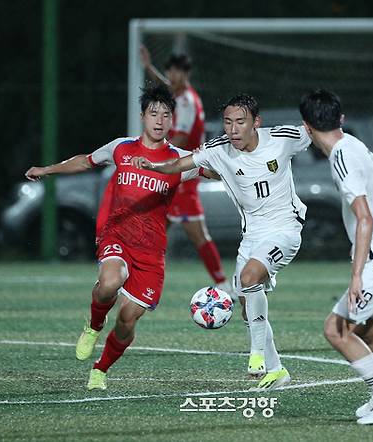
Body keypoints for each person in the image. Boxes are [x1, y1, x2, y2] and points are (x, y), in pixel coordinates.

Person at [25, 85, 203, 391]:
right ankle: (93, 325)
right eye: (153, 113)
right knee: (109, 283)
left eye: (166, 114)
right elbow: (86, 161)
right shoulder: (122, 147)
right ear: (142, 117)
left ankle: (101, 369)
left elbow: (217, 169)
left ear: (172, 120)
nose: (159, 120)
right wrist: (47, 169)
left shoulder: (179, 160)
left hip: (151, 252)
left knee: (127, 319)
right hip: (117, 235)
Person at [132, 94, 310, 390]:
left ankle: (256, 356)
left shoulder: (281, 138)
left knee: (250, 278)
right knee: (246, 305)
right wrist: (152, 167)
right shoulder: (219, 149)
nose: (233, 129)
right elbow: (180, 163)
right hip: (251, 235)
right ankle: (278, 371)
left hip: (285, 230)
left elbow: (316, 132)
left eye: (240, 122)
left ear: (256, 122)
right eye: (228, 122)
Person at [299, 89, 373, 425]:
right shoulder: (354, 144)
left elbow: (365, 217)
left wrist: (357, 276)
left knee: (336, 329)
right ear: (341, 120)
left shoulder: (341, 158)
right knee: (367, 326)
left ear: (306, 128)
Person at [140, 46, 230, 294]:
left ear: (186, 74)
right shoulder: (177, 95)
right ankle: (140, 276)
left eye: (177, 72)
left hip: (185, 171)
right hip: (173, 170)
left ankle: (223, 283)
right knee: (155, 225)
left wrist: (153, 155)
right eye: (170, 71)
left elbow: (179, 139)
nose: (172, 76)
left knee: (197, 234)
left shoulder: (187, 102)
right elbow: (167, 85)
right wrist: (148, 67)